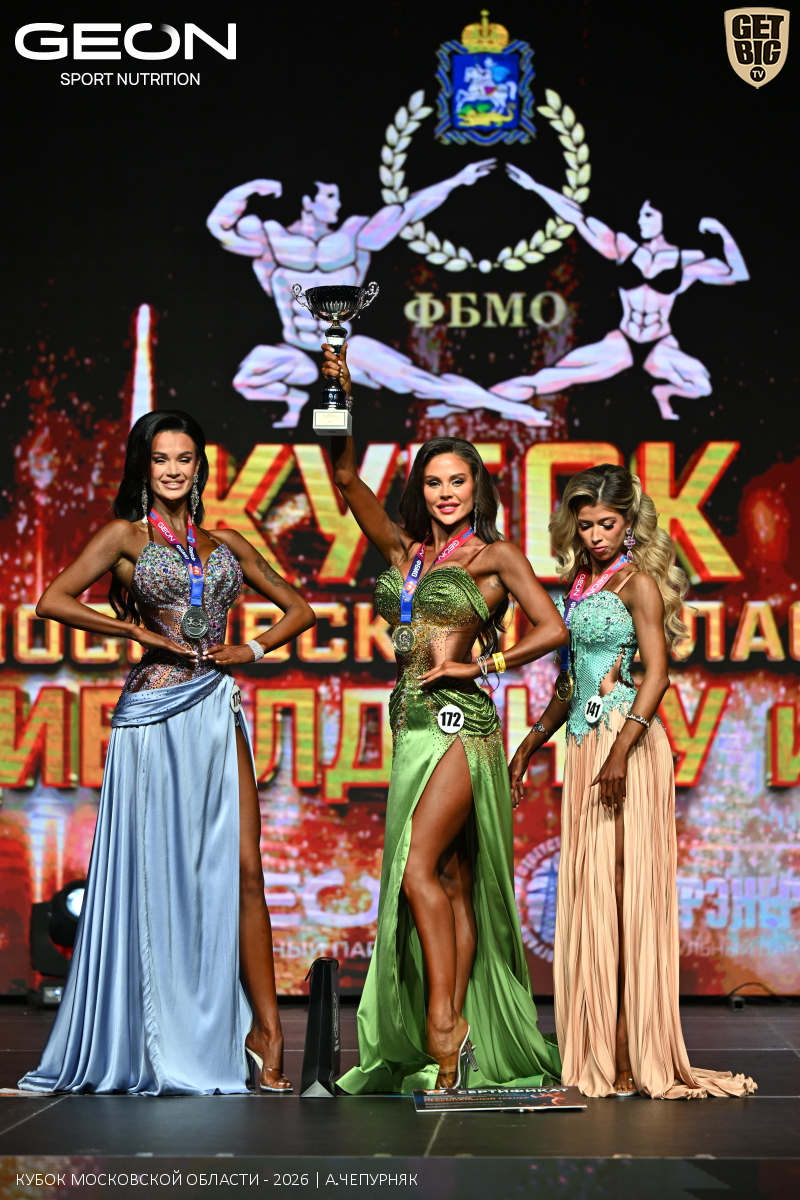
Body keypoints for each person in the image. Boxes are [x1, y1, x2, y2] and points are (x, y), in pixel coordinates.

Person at [19, 411, 315, 1096]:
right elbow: (51, 600)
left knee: (246, 870)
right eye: (161, 460)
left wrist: (251, 648)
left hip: (216, 707)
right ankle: (162, 1031)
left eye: (185, 458)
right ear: (144, 467)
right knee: (158, 878)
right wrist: (136, 633)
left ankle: (266, 1032)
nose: (174, 470)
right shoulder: (126, 536)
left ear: (200, 467)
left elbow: (299, 609)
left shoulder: (226, 542)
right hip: (152, 715)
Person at [320, 342, 569, 1093]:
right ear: (421, 490)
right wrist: (336, 392)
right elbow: (342, 476)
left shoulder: (494, 555)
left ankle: (443, 1027)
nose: (445, 492)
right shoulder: (407, 552)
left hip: (462, 726)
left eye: (458, 480)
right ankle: (457, 1037)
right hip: (410, 726)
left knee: (416, 870)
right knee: (453, 883)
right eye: (433, 481)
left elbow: (553, 626)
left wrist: (480, 666)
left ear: (477, 486)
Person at [509, 464, 757, 1099]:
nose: (595, 535)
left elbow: (657, 675)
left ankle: (629, 1053)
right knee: (593, 897)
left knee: (624, 894)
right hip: (585, 746)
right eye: (585, 524)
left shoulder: (638, 583)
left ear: (629, 523)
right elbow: (570, 683)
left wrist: (621, 750)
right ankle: (598, 1046)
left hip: (629, 746)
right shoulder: (578, 586)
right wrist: (529, 745)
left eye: (607, 523)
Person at [206, 174, 548, 428]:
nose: (337, 205)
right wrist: (249, 188)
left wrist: (457, 180)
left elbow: (405, 211)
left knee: (422, 382)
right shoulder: (272, 237)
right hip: (294, 349)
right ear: (308, 202)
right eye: (329, 197)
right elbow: (219, 226)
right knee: (246, 380)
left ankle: (511, 408)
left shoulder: (353, 235)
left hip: (345, 348)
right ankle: (293, 397)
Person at [491, 169, 748, 420]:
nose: (641, 221)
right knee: (551, 377)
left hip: (660, 345)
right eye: (640, 215)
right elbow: (577, 217)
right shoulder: (624, 248)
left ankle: (664, 393)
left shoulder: (687, 260)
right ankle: (484, 400)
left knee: (703, 386)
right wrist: (535, 187)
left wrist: (721, 231)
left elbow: (738, 274)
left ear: (664, 218)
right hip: (623, 342)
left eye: (648, 215)